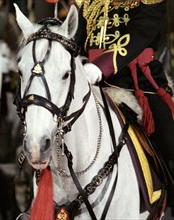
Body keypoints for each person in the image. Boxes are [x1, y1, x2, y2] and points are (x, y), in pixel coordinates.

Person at [74, 0, 174, 211]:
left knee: (168, 138)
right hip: (87, 77)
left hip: (134, 79)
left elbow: (142, 31)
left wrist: (102, 66)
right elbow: (78, 35)